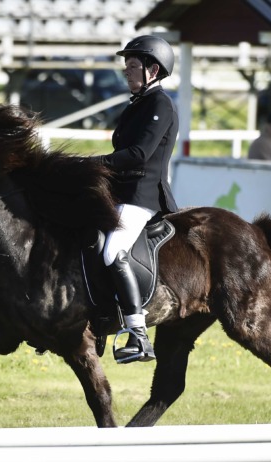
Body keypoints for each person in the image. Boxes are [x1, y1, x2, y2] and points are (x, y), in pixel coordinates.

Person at [93, 35, 179, 364]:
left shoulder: (161, 105)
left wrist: (93, 164)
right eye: (125, 66)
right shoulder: (137, 104)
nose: (126, 72)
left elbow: (139, 155)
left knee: (114, 250)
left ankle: (139, 335)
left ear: (152, 70)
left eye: (132, 66)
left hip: (142, 195)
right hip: (118, 192)